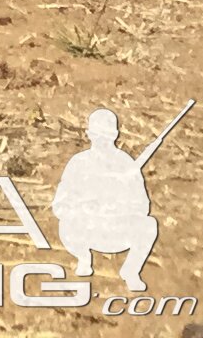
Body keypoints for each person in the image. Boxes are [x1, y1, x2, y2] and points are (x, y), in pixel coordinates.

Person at [51, 109, 162, 291]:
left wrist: (118, 207)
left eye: (107, 135)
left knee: (148, 225)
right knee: (67, 223)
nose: (102, 140)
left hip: (116, 230)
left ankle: (131, 271)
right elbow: (60, 205)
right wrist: (86, 207)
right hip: (86, 229)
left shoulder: (126, 164)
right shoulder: (78, 163)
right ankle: (84, 258)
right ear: (89, 135)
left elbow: (142, 206)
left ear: (116, 135)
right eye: (97, 135)